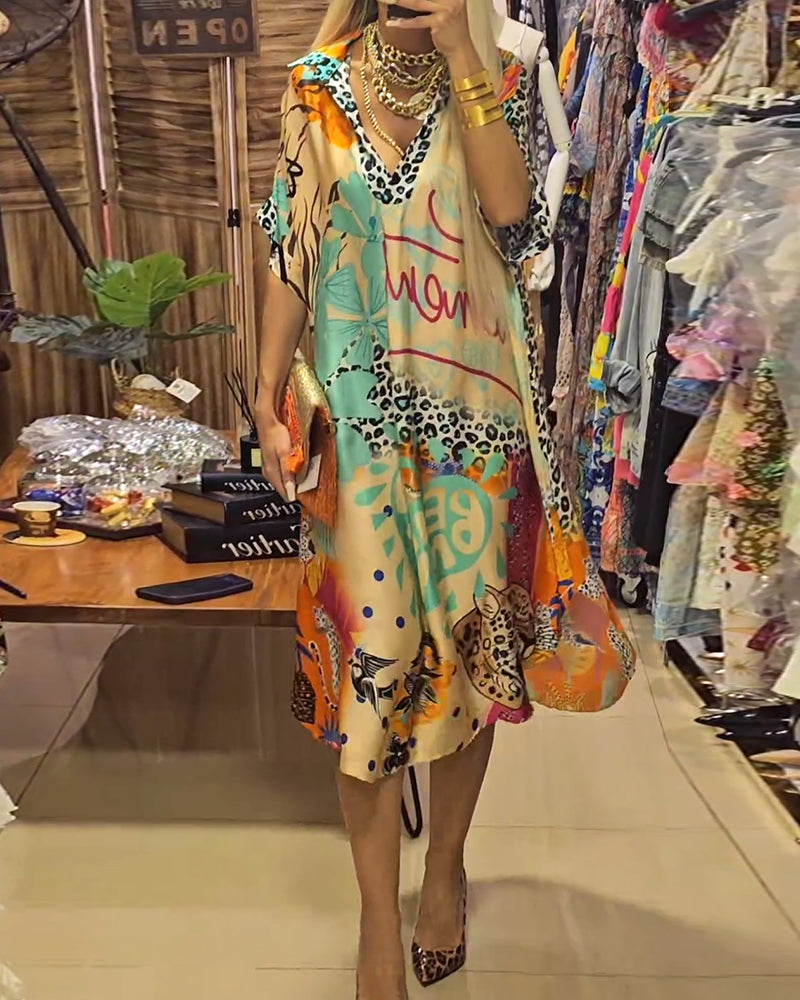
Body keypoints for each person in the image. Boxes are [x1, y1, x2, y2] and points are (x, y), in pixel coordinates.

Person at [255, 1, 636, 997]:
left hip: (475, 429)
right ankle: (375, 920)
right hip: (357, 433)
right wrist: (263, 384)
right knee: (368, 673)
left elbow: (515, 220)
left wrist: (465, 46)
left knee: (470, 662)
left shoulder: (500, 72)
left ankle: (444, 870)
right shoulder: (314, 86)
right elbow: (291, 245)